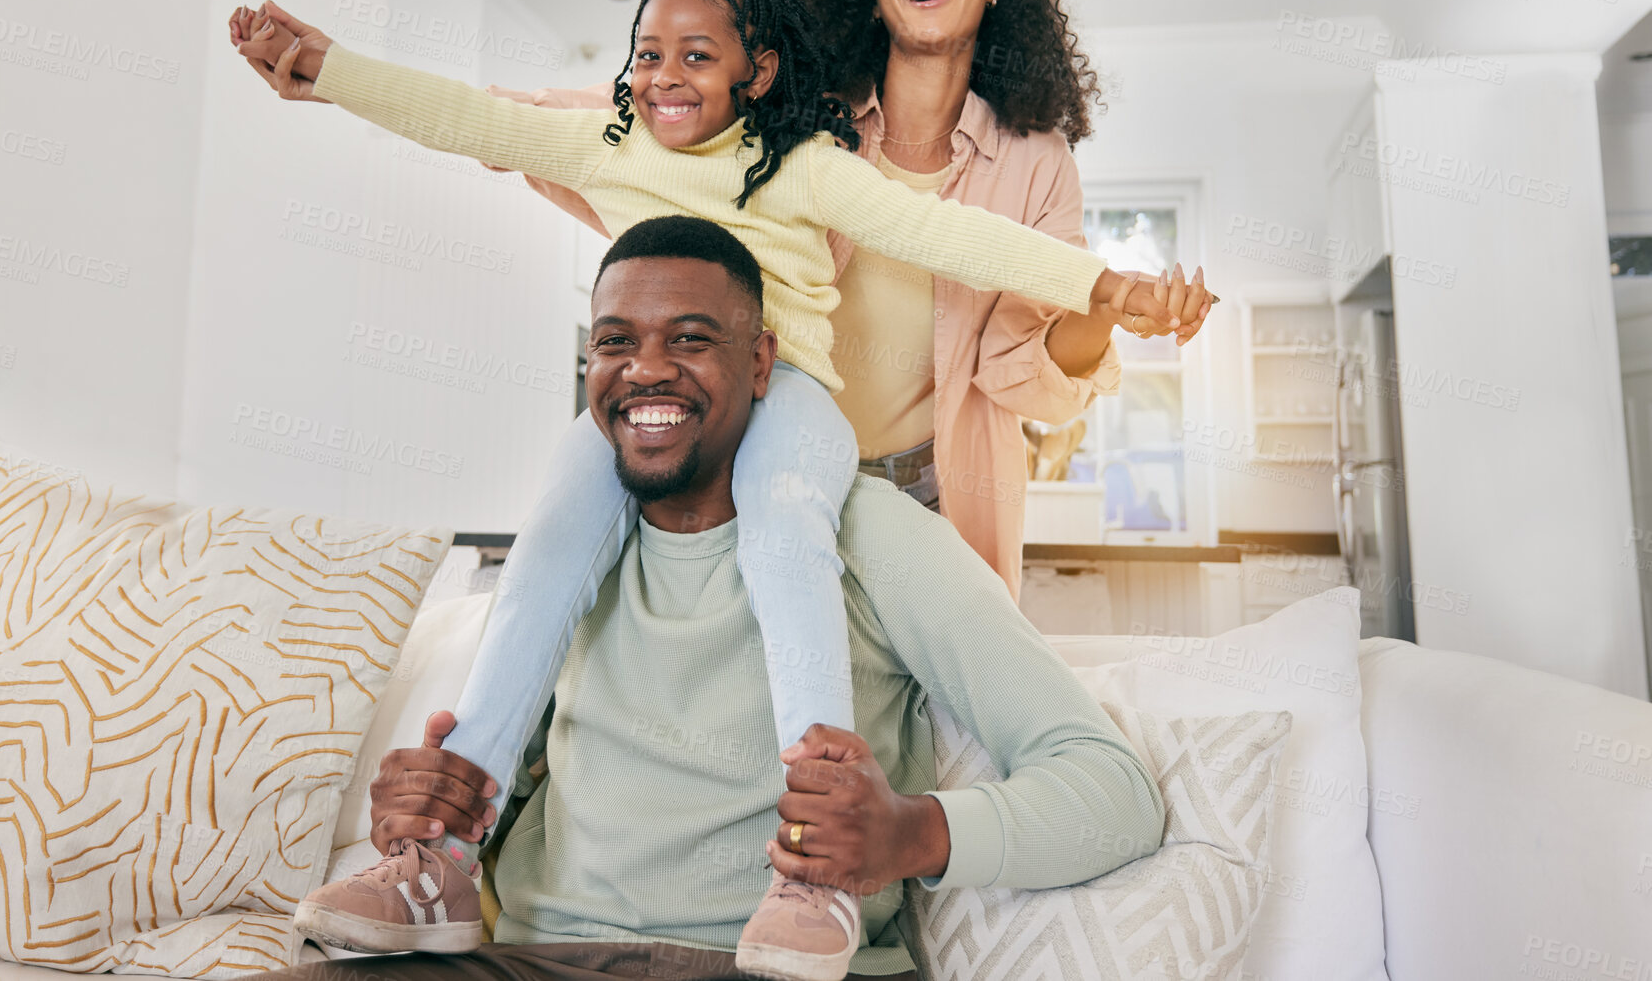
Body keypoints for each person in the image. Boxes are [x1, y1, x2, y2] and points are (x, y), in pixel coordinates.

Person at [232, 0, 1176, 978]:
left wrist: (1103, 288)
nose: (665, 74)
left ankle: (812, 861)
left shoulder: (809, 171)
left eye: (696, 54)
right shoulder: (609, 146)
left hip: (799, 398)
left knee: (784, 526)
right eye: (647, 53)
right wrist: (328, 73)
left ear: (755, 69)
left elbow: (950, 236)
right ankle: (442, 850)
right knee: (548, 537)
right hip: (538, 943)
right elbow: (474, 120)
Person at [266, 217, 1165, 981]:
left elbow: (1115, 791)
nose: (644, 370)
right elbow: (514, 785)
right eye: (614, 341)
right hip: (536, 960)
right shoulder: (569, 557)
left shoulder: (874, 534)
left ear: (762, 361)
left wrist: (910, 836)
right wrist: (432, 809)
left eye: (690, 339)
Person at [457, 0, 1217, 597]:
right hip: (764, 456)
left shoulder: (1036, 161)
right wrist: (495, 123)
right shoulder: (798, 114)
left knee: (934, 710)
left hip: (935, 486)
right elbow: (644, 105)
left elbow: (1022, 372)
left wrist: (1106, 308)